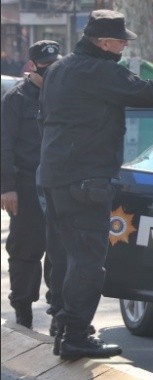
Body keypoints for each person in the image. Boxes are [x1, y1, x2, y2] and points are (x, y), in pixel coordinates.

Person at [38, 9, 153, 360]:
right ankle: (75, 334)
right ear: (104, 42)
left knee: (66, 258)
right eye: (120, 41)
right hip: (85, 180)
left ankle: (64, 325)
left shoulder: (60, 69)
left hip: (56, 177)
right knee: (88, 263)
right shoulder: (98, 70)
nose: (123, 46)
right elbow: (148, 94)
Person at [1, 40, 61, 328]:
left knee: (60, 249)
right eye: (45, 67)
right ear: (32, 65)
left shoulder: (63, 94)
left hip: (59, 183)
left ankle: (57, 310)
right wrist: (6, 187)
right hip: (25, 183)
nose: (50, 72)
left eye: (55, 66)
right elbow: (4, 146)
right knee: (25, 248)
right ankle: (23, 309)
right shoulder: (16, 98)